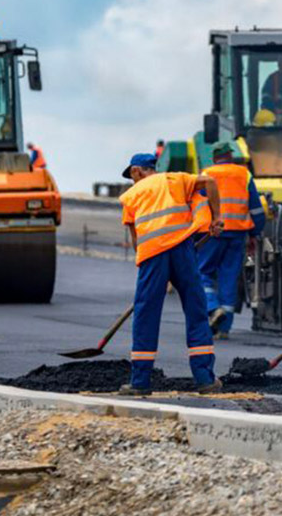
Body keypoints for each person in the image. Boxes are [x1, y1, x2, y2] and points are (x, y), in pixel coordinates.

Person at [118, 153, 225, 396]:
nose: (132, 181)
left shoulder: (130, 196)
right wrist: (217, 217)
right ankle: (205, 379)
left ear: (137, 171)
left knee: (146, 314)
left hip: (153, 255)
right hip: (182, 249)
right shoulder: (175, 179)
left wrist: (156, 271)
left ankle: (140, 382)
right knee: (196, 310)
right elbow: (209, 181)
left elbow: (136, 241)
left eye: (132, 175)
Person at [197, 141, 266, 339]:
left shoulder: (206, 173)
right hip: (237, 234)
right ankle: (224, 329)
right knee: (229, 278)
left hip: (212, 233)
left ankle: (212, 307)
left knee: (201, 272)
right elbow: (256, 209)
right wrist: (255, 234)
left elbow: (199, 204)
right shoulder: (244, 174)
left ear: (214, 157)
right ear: (230, 155)